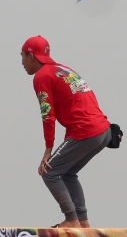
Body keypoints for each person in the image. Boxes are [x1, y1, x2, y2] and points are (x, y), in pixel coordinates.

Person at [21, 35, 111, 228]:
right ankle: (82, 222)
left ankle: (71, 220)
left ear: (31, 56)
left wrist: (48, 150)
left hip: (86, 130)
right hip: (102, 130)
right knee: (67, 173)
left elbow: (48, 115)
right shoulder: (63, 69)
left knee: (49, 172)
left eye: (22, 56)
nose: (21, 62)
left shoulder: (42, 77)